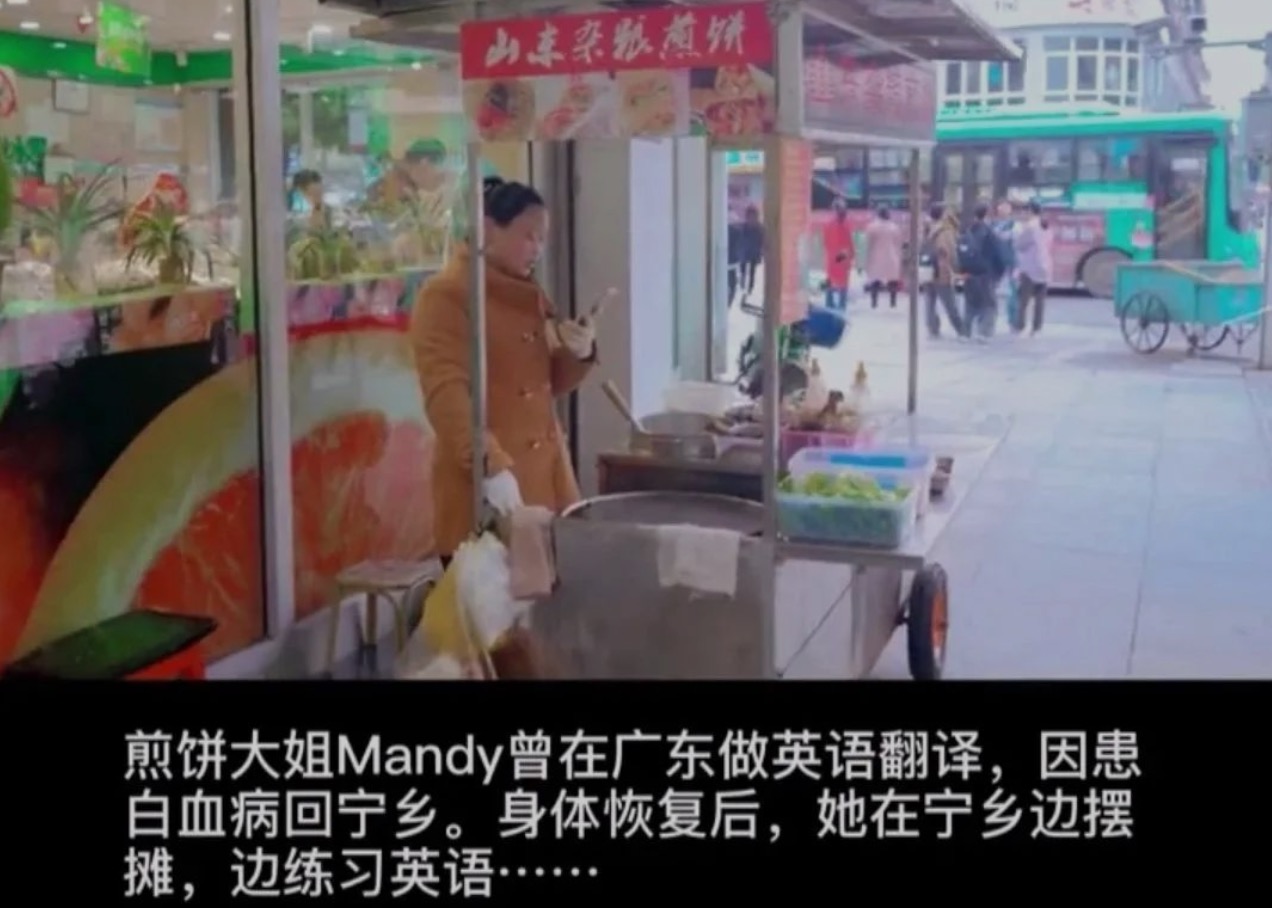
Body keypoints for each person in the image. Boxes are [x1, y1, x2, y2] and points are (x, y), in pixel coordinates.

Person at [411, 177, 598, 564]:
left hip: (546, 477)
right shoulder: (447, 295)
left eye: (542, 239)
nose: (538, 249)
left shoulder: (526, 292)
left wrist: (577, 352)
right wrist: (490, 466)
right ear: (488, 229)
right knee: (493, 597)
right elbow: (446, 394)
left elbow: (543, 383)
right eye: (528, 236)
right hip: (489, 486)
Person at [960, 202, 1006, 342]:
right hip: (986, 274)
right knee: (989, 305)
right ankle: (983, 333)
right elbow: (999, 255)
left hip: (968, 273)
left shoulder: (967, 231)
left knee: (970, 305)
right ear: (986, 214)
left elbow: (960, 253)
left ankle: (965, 333)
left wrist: (962, 271)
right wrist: (998, 274)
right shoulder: (989, 233)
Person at [923, 204, 967, 339]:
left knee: (930, 301)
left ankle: (933, 327)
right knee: (950, 302)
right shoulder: (945, 231)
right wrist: (956, 267)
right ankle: (961, 329)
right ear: (943, 214)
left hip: (927, 269)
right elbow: (949, 251)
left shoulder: (927, 228)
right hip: (942, 270)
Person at [1013, 200, 1052, 336]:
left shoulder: (1030, 227)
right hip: (1045, 266)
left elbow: (1019, 245)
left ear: (1030, 211)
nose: (1023, 214)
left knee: (1023, 300)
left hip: (1030, 267)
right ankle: (1037, 327)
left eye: (1025, 211)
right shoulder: (1046, 225)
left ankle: (1020, 326)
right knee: (1040, 300)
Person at [863, 204, 903, 309]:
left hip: (876, 257)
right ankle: (893, 302)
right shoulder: (894, 227)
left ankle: (874, 302)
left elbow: (868, 244)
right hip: (892, 257)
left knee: (874, 281)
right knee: (893, 281)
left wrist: (867, 259)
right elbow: (898, 244)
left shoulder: (872, 227)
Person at [821, 197, 855, 311]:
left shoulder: (828, 224)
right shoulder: (846, 224)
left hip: (832, 254)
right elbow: (849, 241)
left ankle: (829, 301)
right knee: (843, 280)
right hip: (842, 254)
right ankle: (842, 304)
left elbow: (825, 241)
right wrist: (851, 254)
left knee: (831, 278)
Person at [991, 199, 1019, 331]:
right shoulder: (992, 224)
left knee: (1013, 292)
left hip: (1010, 260)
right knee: (990, 292)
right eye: (1001, 207)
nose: (1003, 209)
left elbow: (1017, 242)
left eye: (1006, 207)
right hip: (994, 262)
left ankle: (1013, 321)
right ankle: (990, 320)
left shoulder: (1014, 225)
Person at [737, 205, 764, 305]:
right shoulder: (744, 227)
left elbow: (761, 242)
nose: (751, 219)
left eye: (753, 216)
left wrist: (760, 253)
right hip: (745, 253)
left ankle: (749, 289)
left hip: (753, 253)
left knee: (752, 272)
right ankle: (743, 286)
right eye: (750, 216)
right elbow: (741, 240)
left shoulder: (759, 229)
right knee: (743, 271)